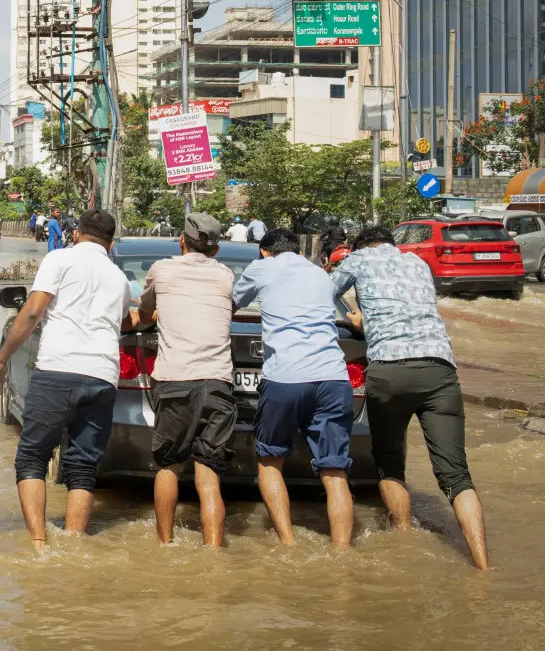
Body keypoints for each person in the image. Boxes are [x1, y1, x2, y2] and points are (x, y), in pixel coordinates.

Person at [332, 226, 490, 570]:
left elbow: (323, 294)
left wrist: (358, 322)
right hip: (440, 370)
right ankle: (482, 565)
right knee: (456, 476)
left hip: (390, 370)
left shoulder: (356, 260)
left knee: (390, 464)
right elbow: (411, 309)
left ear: (361, 247)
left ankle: (403, 542)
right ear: (393, 244)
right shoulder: (418, 263)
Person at [0, 210, 133, 549]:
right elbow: (123, 320)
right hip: (103, 376)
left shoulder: (60, 259)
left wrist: (1, 359)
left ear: (77, 234)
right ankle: (75, 544)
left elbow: (34, 311)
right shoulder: (119, 279)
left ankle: (39, 545)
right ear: (110, 245)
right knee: (82, 467)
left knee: (32, 457)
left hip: (57, 371)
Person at [232, 228, 355, 548]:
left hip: (286, 378)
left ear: (264, 251)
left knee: (270, 461)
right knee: (335, 471)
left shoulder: (262, 267)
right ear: (298, 250)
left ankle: (288, 543)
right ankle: (342, 551)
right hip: (333, 378)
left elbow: (229, 304)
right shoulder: (319, 273)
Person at [135, 213, 235, 548]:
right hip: (219, 383)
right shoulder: (225, 275)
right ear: (216, 249)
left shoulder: (162, 270)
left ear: (181, 240)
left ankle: (165, 545)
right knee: (209, 477)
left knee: (168, 466)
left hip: (175, 380)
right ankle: (213, 550)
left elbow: (145, 311)